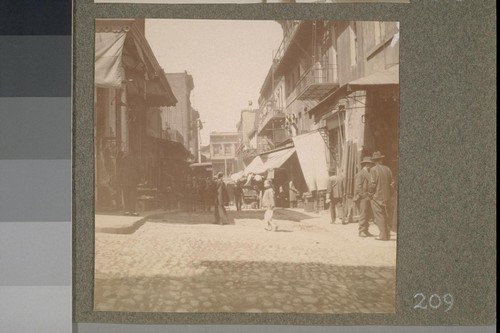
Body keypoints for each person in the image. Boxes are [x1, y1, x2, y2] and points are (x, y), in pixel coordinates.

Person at [368, 151, 395, 241]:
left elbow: (372, 184)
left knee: (379, 216)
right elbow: (392, 183)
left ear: (374, 161)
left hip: (377, 197)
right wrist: (390, 194)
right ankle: (387, 234)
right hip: (387, 197)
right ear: (381, 160)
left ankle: (382, 235)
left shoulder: (373, 170)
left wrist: (370, 194)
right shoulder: (388, 169)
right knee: (386, 215)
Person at [354, 157, 375, 237]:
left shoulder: (368, 173)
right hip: (363, 197)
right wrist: (362, 194)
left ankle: (366, 230)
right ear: (366, 164)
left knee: (368, 214)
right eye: (370, 164)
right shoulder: (361, 174)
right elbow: (358, 186)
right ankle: (361, 231)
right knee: (363, 214)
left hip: (368, 196)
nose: (371, 165)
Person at [118, 151, 140, 216]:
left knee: (126, 196)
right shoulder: (136, 160)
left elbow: (120, 171)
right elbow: (139, 170)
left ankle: (126, 211)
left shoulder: (123, 160)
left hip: (125, 181)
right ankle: (132, 211)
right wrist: (139, 180)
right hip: (133, 181)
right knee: (133, 196)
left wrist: (120, 181)